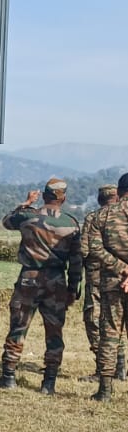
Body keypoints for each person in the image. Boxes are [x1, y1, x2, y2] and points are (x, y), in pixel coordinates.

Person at [0, 178, 82, 395]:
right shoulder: (71, 223)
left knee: (18, 327)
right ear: (64, 198)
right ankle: (49, 383)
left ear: (44, 196)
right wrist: (73, 288)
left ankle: (8, 377)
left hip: (29, 278)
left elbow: (7, 221)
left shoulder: (28, 216)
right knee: (54, 332)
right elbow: (76, 260)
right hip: (56, 281)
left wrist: (25, 203)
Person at [87, 171, 128, 402]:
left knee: (110, 335)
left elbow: (95, 249)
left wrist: (121, 268)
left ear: (119, 192)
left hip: (112, 283)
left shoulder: (101, 216)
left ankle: (104, 390)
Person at [81, 184, 121, 376]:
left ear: (100, 199)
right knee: (119, 324)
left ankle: (103, 370)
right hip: (121, 278)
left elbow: (84, 249)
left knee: (98, 323)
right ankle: (121, 368)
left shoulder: (94, 218)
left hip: (98, 278)